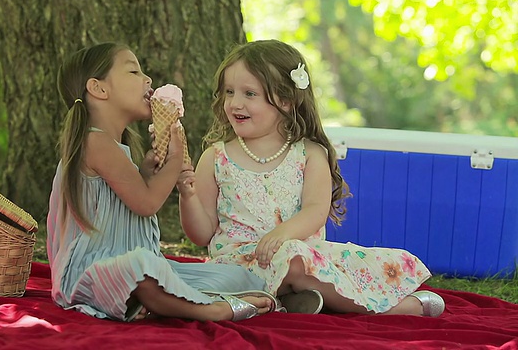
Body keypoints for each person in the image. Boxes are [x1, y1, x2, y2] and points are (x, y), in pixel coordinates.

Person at [177, 39, 445, 317]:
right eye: (229, 92)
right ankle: (308, 300)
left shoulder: (308, 153)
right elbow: (201, 233)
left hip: (300, 256)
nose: (234, 103)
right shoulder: (215, 157)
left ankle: (301, 299)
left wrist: (282, 234)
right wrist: (188, 196)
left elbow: (316, 210)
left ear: (286, 100)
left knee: (298, 260)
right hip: (241, 266)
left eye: (249, 94)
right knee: (284, 265)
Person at [46, 42, 281, 322]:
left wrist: (147, 174)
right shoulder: (94, 141)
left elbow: (127, 201)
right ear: (98, 89)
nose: (148, 79)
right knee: (143, 268)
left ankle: (221, 294)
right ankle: (213, 309)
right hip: (92, 274)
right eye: (133, 71)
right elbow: (146, 204)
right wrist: (175, 158)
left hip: (131, 266)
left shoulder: (112, 144)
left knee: (233, 275)